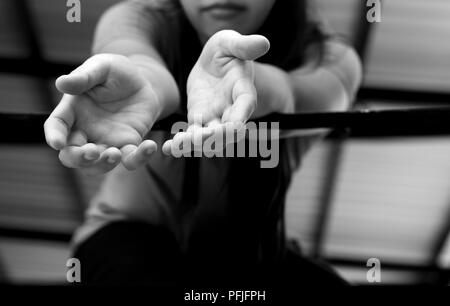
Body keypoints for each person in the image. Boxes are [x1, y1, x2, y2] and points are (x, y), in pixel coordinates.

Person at [44, 0, 361, 286]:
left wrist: (248, 83)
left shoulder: (329, 55)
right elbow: (140, 61)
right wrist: (148, 88)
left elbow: (301, 97)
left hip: (257, 253)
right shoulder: (138, 17)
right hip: (126, 236)